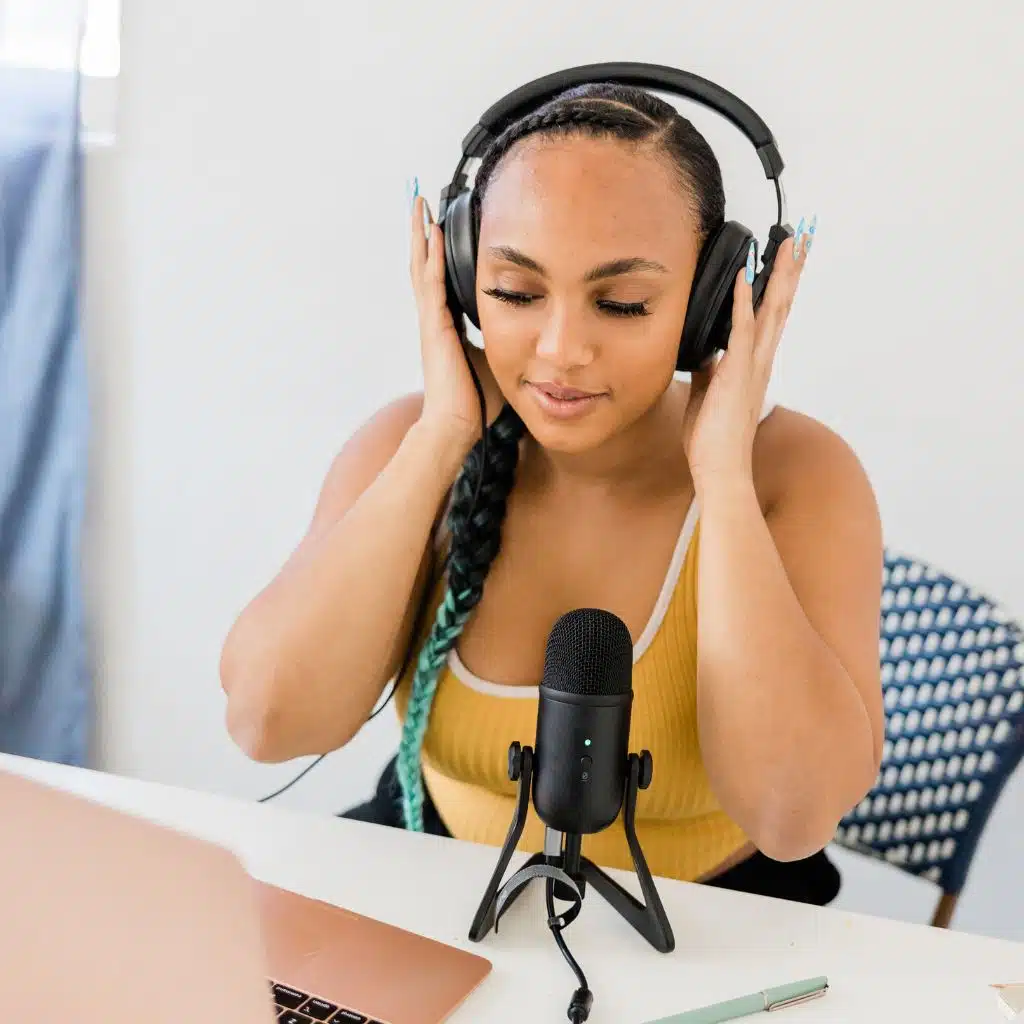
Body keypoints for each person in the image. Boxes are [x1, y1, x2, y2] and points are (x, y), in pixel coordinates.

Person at [219, 82, 885, 907]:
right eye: (515, 292)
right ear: (462, 278)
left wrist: (722, 479)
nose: (562, 349)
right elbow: (267, 724)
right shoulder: (410, 443)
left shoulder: (797, 474)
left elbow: (792, 817)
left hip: (710, 928)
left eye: (621, 303)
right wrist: (440, 438)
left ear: (713, 302)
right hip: (436, 886)